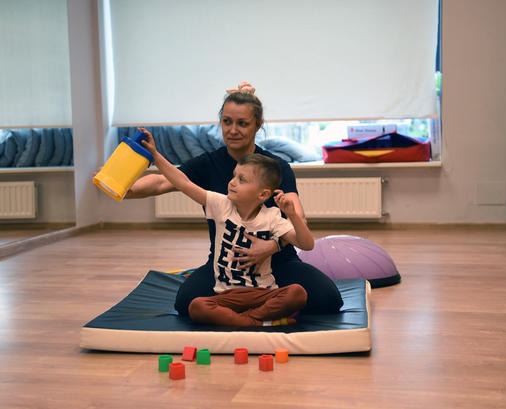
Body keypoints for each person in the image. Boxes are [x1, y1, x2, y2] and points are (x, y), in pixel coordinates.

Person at [125, 82, 343, 316]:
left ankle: (247, 303)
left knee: (328, 299)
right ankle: (257, 304)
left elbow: (297, 218)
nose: (233, 130)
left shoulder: (275, 167)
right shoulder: (208, 163)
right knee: (186, 303)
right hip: (224, 266)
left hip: (278, 262)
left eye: (242, 123)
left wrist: (272, 246)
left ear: (258, 124)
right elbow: (163, 182)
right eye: (227, 122)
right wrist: (125, 189)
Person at [141, 130, 311, 326]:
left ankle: (243, 321)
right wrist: (155, 155)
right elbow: (183, 182)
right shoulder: (220, 204)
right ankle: (257, 322)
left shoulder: (272, 217)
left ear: (263, 195)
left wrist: (292, 216)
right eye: (234, 176)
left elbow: (306, 244)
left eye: (242, 180)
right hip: (226, 294)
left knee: (297, 293)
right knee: (197, 306)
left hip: (262, 293)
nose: (232, 182)